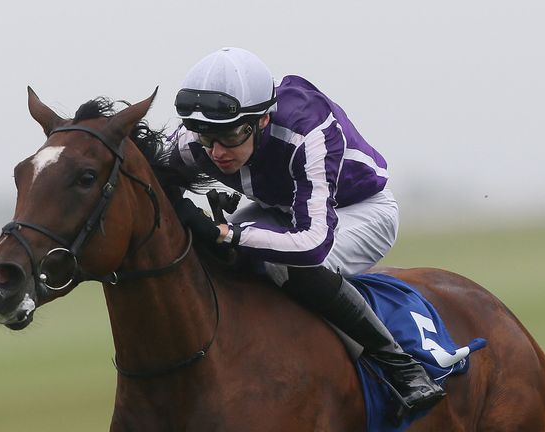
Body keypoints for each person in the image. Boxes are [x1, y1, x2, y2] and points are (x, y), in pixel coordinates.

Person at [167, 47, 445, 416]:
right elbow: (153, 183)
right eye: (206, 137)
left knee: (285, 265)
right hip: (280, 209)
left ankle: (400, 367)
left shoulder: (308, 128)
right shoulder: (198, 140)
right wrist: (192, 214)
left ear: (262, 120)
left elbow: (312, 245)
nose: (217, 152)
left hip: (359, 210)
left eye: (231, 136)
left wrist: (230, 234)